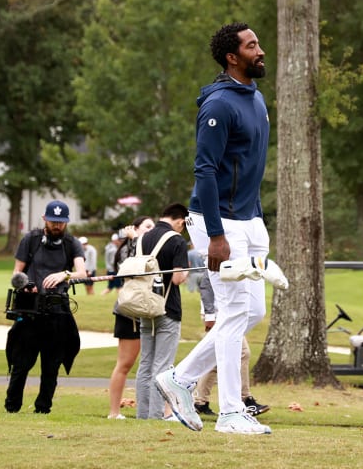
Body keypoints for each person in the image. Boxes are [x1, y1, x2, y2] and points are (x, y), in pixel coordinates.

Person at [154, 22, 274, 435]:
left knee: (252, 309)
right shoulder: (219, 104)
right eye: (252, 45)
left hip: (250, 220)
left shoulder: (255, 98)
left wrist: (256, 221)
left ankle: (181, 378)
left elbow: (251, 169)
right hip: (215, 222)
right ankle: (229, 412)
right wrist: (217, 235)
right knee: (234, 310)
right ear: (232, 57)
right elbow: (204, 170)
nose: (261, 50)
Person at [5, 200, 86, 414]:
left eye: (61, 222)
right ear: (45, 220)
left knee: (51, 365)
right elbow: (16, 273)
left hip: (58, 312)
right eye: (53, 222)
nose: (57, 226)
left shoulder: (72, 243)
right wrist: (25, 285)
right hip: (30, 310)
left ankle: (43, 408)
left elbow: (82, 273)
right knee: (21, 363)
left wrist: (64, 274)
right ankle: (12, 407)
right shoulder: (30, 240)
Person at [135, 203, 190, 420]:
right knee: (163, 366)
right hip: (168, 308)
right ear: (180, 221)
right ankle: (155, 416)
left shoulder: (142, 239)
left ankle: (142, 414)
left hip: (144, 306)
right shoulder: (177, 240)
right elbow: (177, 278)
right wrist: (186, 273)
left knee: (146, 363)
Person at [193, 275, 270, 417]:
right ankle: (245, 399)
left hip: (227, 313)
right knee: (243, 353)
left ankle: (200, 402)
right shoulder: (222, 255)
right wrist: (209, 314)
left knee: (214, 357)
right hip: (218, 314)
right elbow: (206, 283)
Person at [107, 216, 155, 420]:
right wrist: (135, 239)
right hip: (129, 311)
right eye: (148, 226)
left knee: (154, 363)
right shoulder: (128, 249)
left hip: (149, 309)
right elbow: (133, 266)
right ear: (135, 229)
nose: (152, 230)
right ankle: (114, 412)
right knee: (125, 363)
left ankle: (156, 409)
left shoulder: (150, 246)